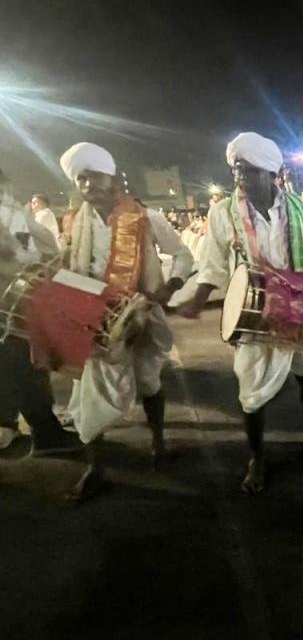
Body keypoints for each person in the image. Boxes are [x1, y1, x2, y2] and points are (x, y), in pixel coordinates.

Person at [180, 132, 303, 494]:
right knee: (250, 388)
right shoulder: (223, 212)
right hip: (256, 310)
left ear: (272, 173)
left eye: (249, 171)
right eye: (237, 170)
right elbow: (213, 265)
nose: (240, 178)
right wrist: (200, 297)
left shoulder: (298, 206)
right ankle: (257, 457)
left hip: (298, 304)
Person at [60, 143, 193, 500]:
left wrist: (170, 287)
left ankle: (158, 443)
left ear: (112, 177)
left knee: (149, 381)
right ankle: (96, 469)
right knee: (87, 394)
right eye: (81, 178)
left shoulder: (146, 216)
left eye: (94, 176)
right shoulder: (73, 222)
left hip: (143, 313)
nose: (87, 184)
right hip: (94, 320)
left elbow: (183, 254)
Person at [0, 170, 82, 456]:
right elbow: (26, 254)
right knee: (29, 369)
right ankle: (46, 435)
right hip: (13, 308)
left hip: (9, 308)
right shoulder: (9, 212)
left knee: (8, 371)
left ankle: (6, 428)